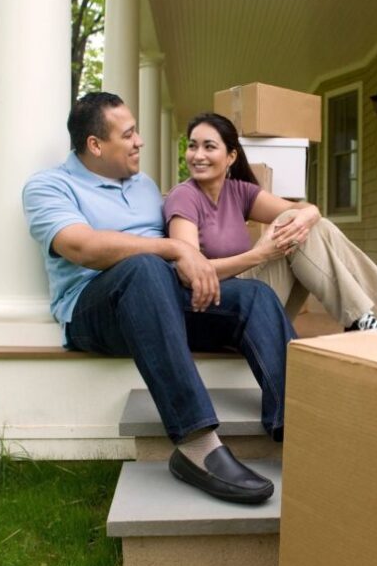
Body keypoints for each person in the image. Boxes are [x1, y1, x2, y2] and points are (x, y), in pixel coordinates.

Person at [22, 93, 296, 505]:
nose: (139, 142)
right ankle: (197, 446)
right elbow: (84, 247)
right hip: (95, 309)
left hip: (163, 298)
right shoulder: (48, 186)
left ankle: (295, 429)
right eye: (129, 134)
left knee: (254, 296)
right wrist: (176, 251)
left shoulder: (144, 185)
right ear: (95, 145)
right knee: (145, 268)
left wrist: (195, 262)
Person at [163, 111, 377, 332]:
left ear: (231, 157)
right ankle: (368, 316)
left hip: (254, 300)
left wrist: (311, 213)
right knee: (293, 223)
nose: (197, 155)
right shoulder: (184, 197)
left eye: (209, 146)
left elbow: (303, 211)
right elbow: (190, 274)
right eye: (192, 146)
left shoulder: (238, 191)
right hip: (217, 309)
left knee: (310, 224)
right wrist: (260, 255)